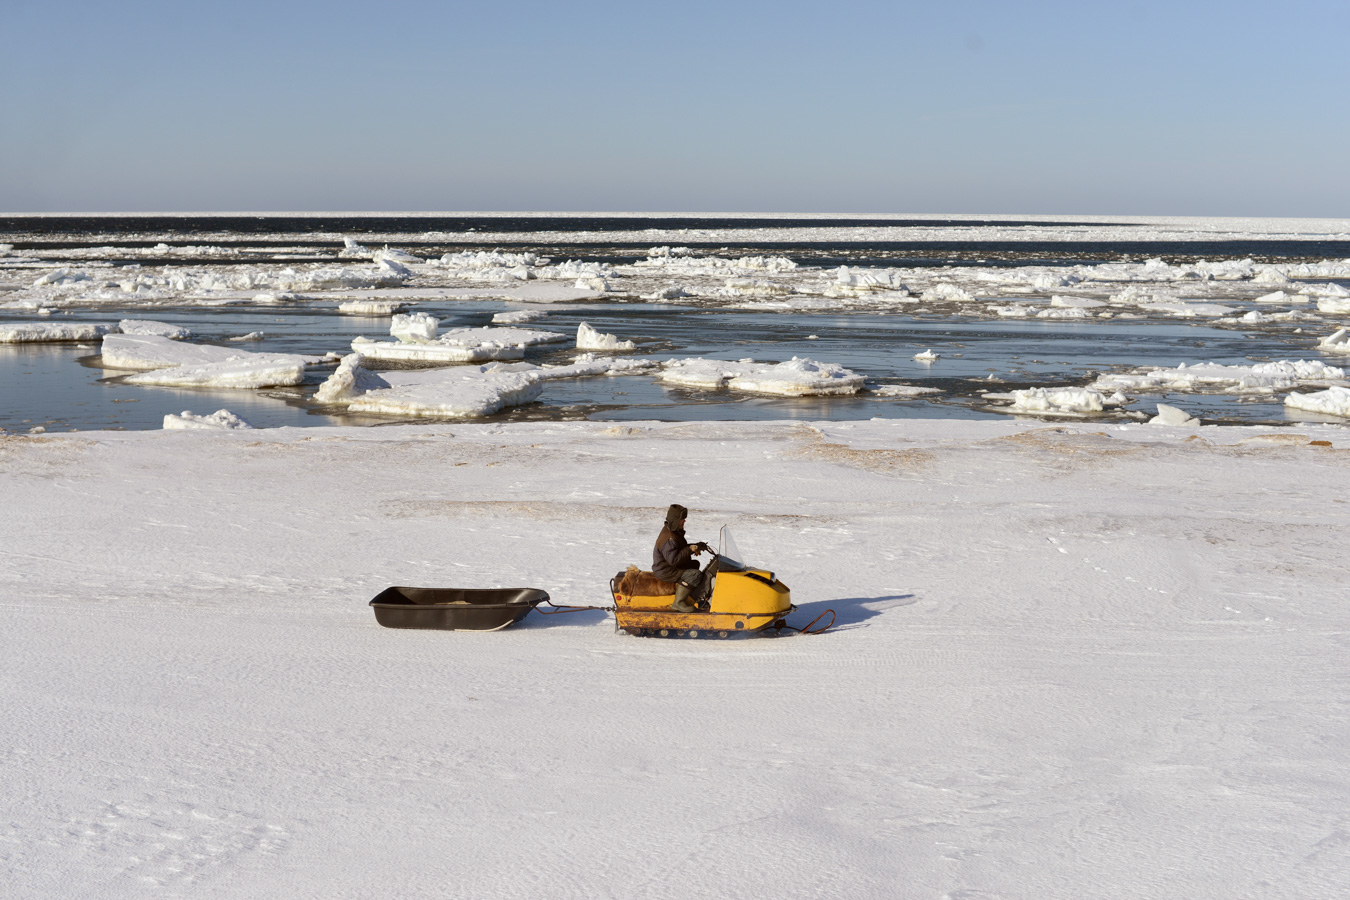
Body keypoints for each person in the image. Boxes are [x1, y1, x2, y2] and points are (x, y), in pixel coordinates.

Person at [652, 504, 709, 613]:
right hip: (666, 571)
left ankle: (691, 596)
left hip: (668, 567)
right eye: (682, 519)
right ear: (675, 520)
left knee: (694, 564)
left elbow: (679, 549)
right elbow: (673, 560)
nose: (684, 521)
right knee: (695, 574)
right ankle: (678, 603)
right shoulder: (669, 538)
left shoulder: (673, 532)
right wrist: (689, 549)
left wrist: (697, 546)